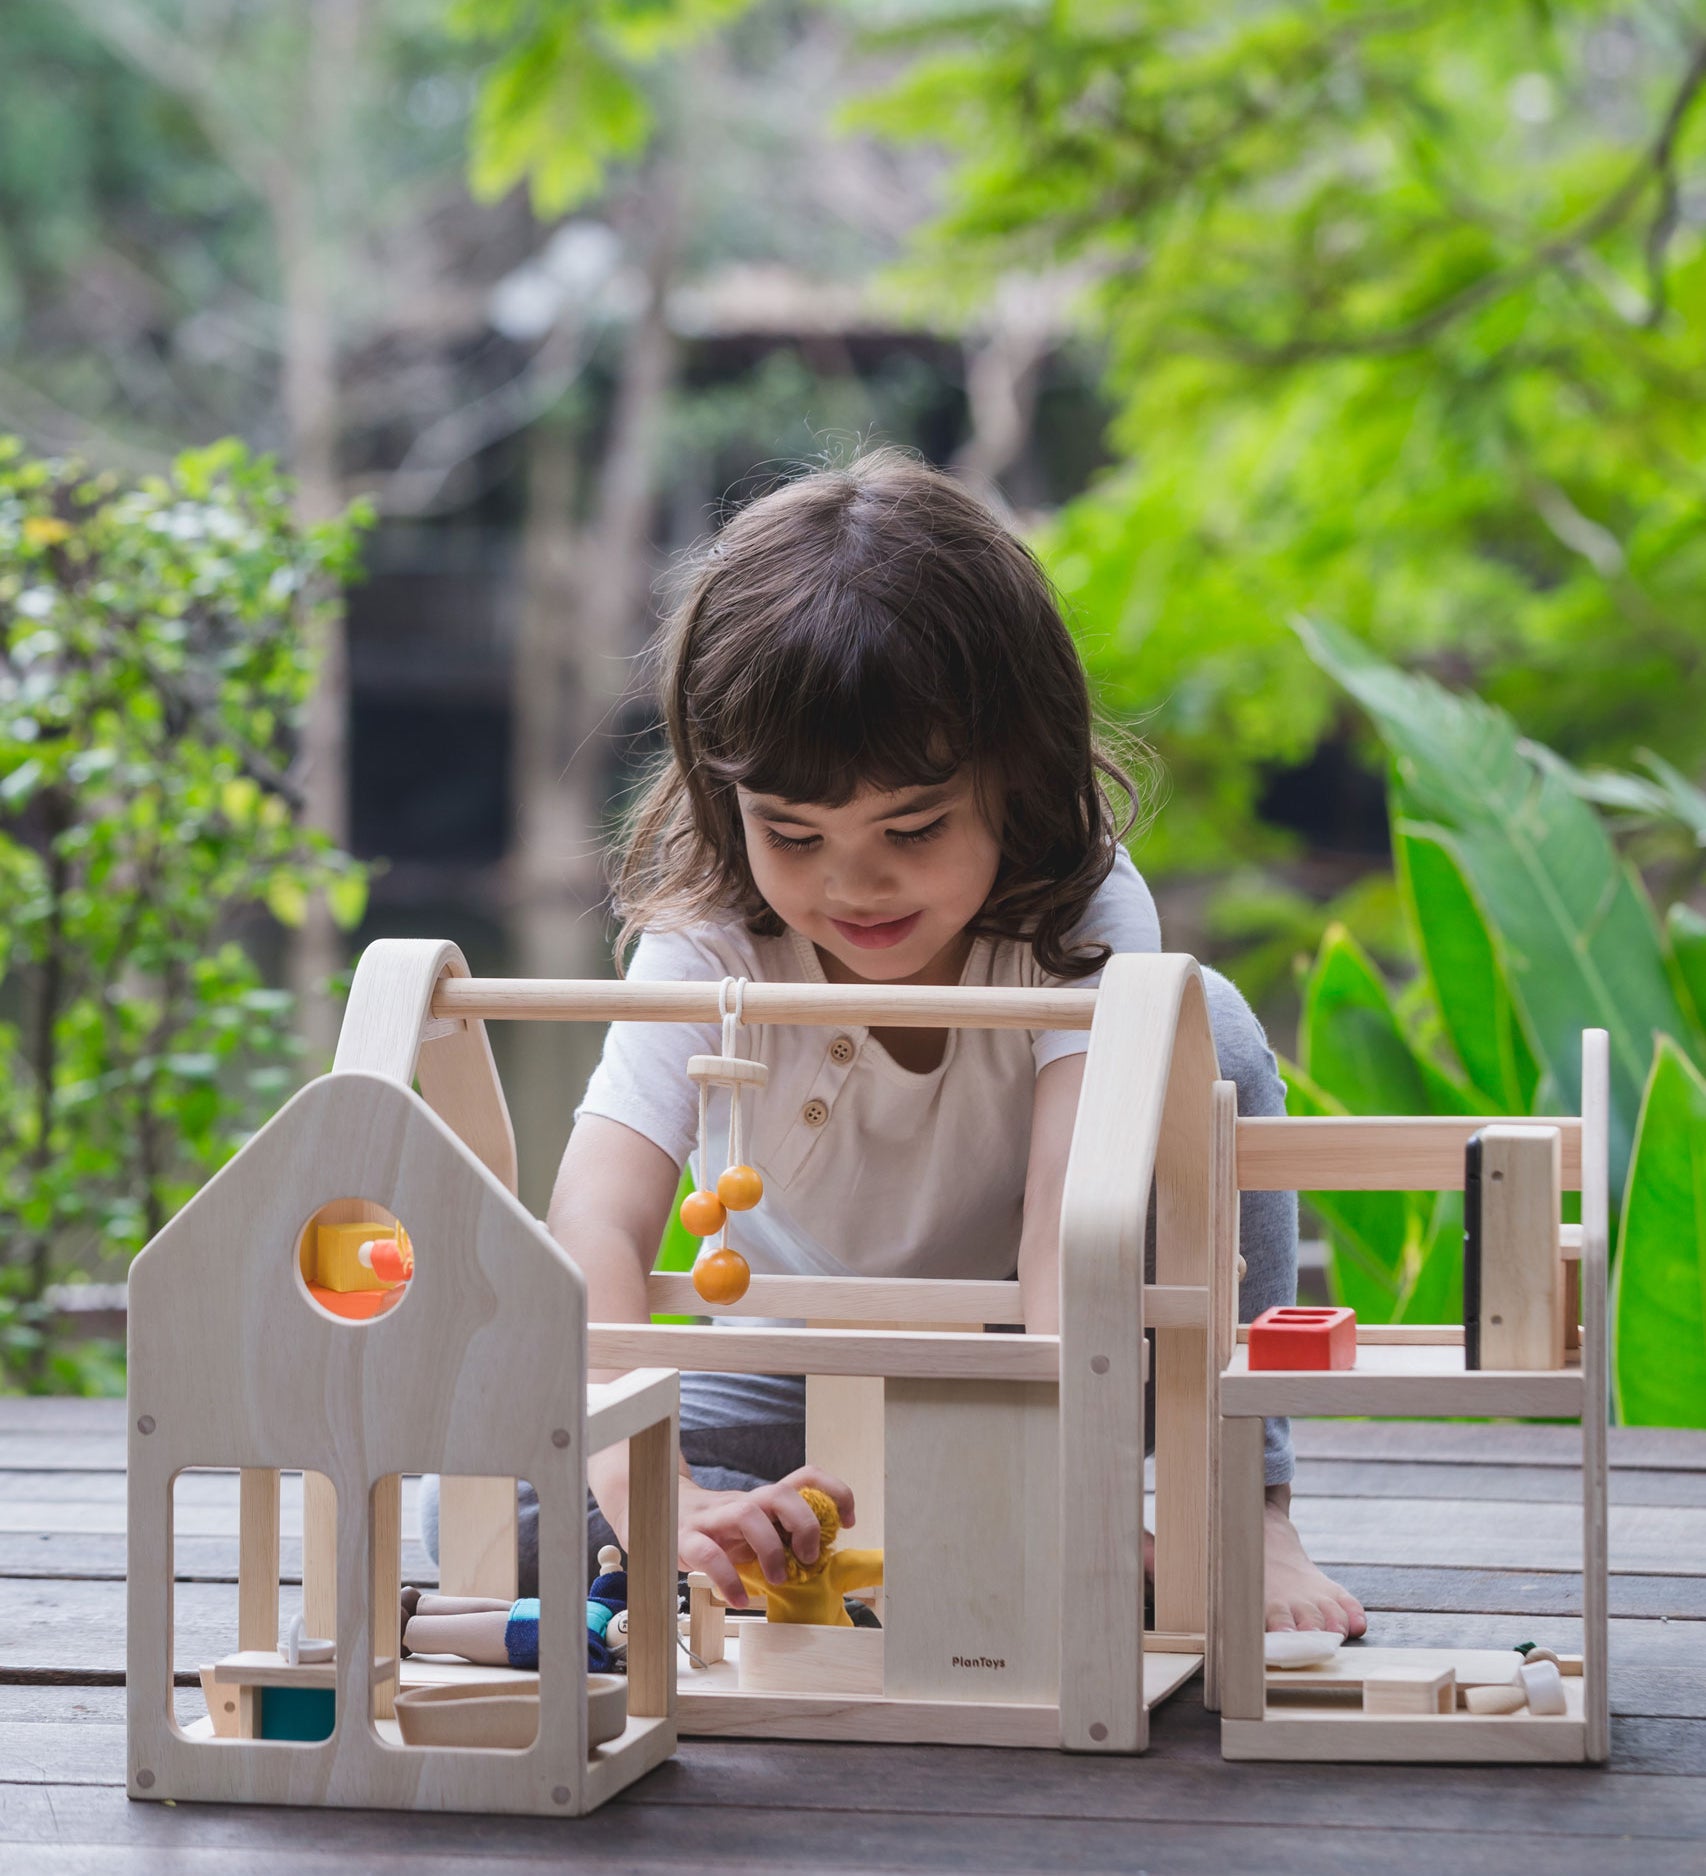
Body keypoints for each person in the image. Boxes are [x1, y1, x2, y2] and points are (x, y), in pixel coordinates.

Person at [435, 448, 1364, 1637]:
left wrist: (1055, 1480)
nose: (853, 880)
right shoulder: (708, 937)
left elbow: (1061, 1241)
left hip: (1059, 1352)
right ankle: (866, 1530)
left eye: (910, 827)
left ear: (1013, 778)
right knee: (478, 1510)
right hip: (792, 1379)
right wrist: (645, 1487)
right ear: (731, 805)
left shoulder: (1079, 916)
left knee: (1203, 1026)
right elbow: (595, 1225)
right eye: (793, 831)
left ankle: (1246, 1507)